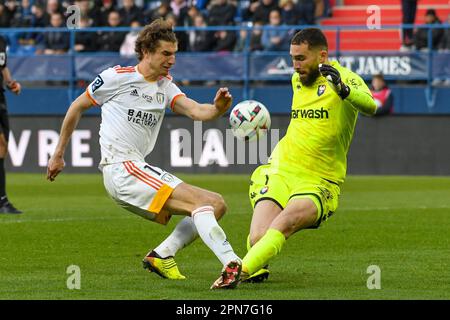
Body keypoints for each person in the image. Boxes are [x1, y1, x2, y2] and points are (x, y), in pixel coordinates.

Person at [46, 18, 241, 289]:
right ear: (147, 51)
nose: (171, 60)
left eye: (174, 54)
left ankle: (162, 255)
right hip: (122, 168)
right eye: (165, 54)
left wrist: (218, 108)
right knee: (200, 203)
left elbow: (198, 111)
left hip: (135, 169)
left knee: (216, 203)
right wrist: (58, 153)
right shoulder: (117, 77)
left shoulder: (165, 86)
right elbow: (76, 107)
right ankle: (231, 263)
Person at [212, 28, 377, 288]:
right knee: (258, 238)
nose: (295, 65)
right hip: (282, 169)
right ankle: (255, 264)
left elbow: (371, 106)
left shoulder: (345, 78)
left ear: (322, 56)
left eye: (301, 58)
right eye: (292, 58)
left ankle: (238, 272)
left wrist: (343, 90)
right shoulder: (297, 79)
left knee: (285, 222)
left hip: (319, 179)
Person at [0, 35, 22, 214]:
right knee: (0, 146)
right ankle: (2, 201)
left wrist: (10, 83)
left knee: (3, 148)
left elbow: (3, 66)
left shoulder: (2, 40)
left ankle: (2, 200)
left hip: (1, 98)